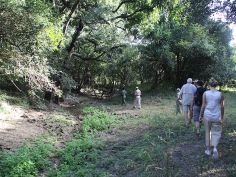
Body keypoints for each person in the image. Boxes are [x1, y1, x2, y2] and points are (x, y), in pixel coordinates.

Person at [199, 78, 224, 159]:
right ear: (216, 85)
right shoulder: (220, 94)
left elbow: (203, 105)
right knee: (216, 132)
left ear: (209, 85)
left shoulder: (205, 93)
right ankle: (215, 148)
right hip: (217, 115)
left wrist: (200, 115)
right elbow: (222, 107)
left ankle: (208, 150)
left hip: (207, 115)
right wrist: (222, 117)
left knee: (207, 132)